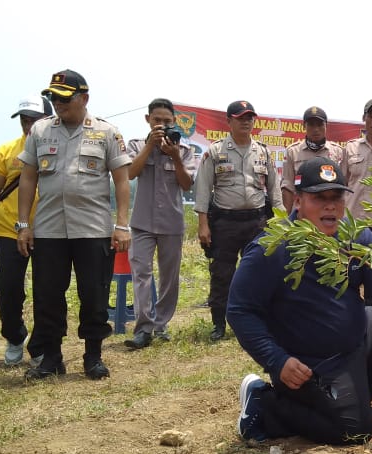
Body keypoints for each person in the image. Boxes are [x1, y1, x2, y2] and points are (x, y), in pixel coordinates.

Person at [227, 157, 372, 445]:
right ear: (298, 201)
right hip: (308, 360)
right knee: (354, 431)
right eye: (319, 198)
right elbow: (240, 311)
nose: (330, 206)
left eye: (336, 197)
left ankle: (348, 399)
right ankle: (264, 404)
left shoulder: (357, 237)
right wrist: (276, 360)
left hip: (354, 339)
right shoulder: (273, 247)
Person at [16, 69, 132, 381]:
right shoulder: (40, 131)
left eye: (64, 98)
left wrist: (122, 226)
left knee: (94, 295)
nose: (57, 103)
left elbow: (122, 182)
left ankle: (93, 356)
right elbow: (27, 179)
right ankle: (51, 357)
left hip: (93, 229)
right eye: (53, 97)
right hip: (49, 229)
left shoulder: (107, 132)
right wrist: (23, 224)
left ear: (84, 98)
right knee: (47, 295)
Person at [194, 100, 282, 342]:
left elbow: (274, 191)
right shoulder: (215, 151)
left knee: (259, 273)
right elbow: (202, 190)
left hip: (257, 222)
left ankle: (258, 320)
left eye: (250, 117)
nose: (246, 121)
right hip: (225, 222)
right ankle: (218, 323)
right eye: (241, 117)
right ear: (229, 121)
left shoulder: (263, 152)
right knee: (222, 273)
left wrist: (282, 220)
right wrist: (203, 224)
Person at [0, 95, 52, 364]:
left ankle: (41, 345)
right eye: (24, 120)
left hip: (49, 230)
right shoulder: (7, 152)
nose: (28, 125)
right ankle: (15, 336)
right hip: (10, 229)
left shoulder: (58, 149)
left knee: (47, 290)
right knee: (7, 287)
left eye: (34, 120)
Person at [123, 98, 194, 349]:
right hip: (141, 222)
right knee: (141, 274)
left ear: (174, 121)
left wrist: (174, 157)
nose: (162, 126)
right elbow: (129, 173)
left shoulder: (184, 150)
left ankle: (161, 324)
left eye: (166, 121)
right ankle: (143, 328)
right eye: (157, 121)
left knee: (169, 278)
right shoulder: (135, 145)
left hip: (172, 222)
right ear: (147, 120)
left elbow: (187, 184)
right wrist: (149, 146)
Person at [342, 98, 372, 239]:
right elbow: (342, 186)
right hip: (351, 222)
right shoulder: (350, 148)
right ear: (364, 118)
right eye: (371, 116)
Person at [280, 106, 346, 209]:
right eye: (311, 125)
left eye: (320, 125)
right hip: (302, 213)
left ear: (326, 126)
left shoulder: (338, 151)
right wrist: (285, 220)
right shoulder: (293, 151)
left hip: (328, 210)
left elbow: (343, 187)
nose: (316, 129)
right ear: (304, 126)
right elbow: (288, 187)